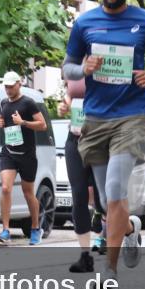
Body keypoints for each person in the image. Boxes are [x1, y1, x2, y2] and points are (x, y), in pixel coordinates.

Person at [62, 0, 145, 288]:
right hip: (96, 119)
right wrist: (83, 69)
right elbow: (68, 67)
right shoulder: (85, 23)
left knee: (114, 189)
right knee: (106, 199)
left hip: (131, 116)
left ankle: (108, 270)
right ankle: (129, 228)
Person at [0, 71, 48, 245]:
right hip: (9, 152)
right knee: (5, 188)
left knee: (28, 193)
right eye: (6, 87)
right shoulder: (3, 102)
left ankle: (35, 228)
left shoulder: (28, 103)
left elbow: (42, 125)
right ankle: (5, 231)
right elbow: (3, 121)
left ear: (19, 84)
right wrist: (0, 123)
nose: (8, 90)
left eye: (11, 86)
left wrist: (23, 123)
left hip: (27, 155)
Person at [58, 80, 100, 272]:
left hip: (101, 141)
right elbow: (70, 95)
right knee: (79, 196)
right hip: (74, 140)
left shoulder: (105, 70)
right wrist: (64, 105)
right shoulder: (75, 73)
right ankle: (85, 256)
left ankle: (129, 228)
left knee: (104, 200)